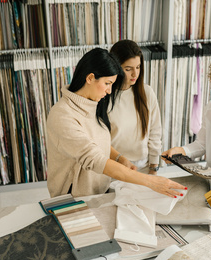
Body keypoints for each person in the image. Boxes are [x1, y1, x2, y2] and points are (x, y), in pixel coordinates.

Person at [46, 48, 185, 198]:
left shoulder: (92, 103)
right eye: (107, 83)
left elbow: (97, 142)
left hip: (99, 192)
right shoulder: (62, 116)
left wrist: (120, 159)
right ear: (90, 78)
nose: (109, 91)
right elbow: (94, 158)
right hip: (74, 198)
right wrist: (151, 181)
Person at [108, 40, 162, 175]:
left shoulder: (147, 93)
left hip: (143, 167)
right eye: (128, 69)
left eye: (138, 67)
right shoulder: (104, 95)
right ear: (116, 67)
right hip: (113, 167)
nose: (135, 74)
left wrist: (154, 168)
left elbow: (155, 132)